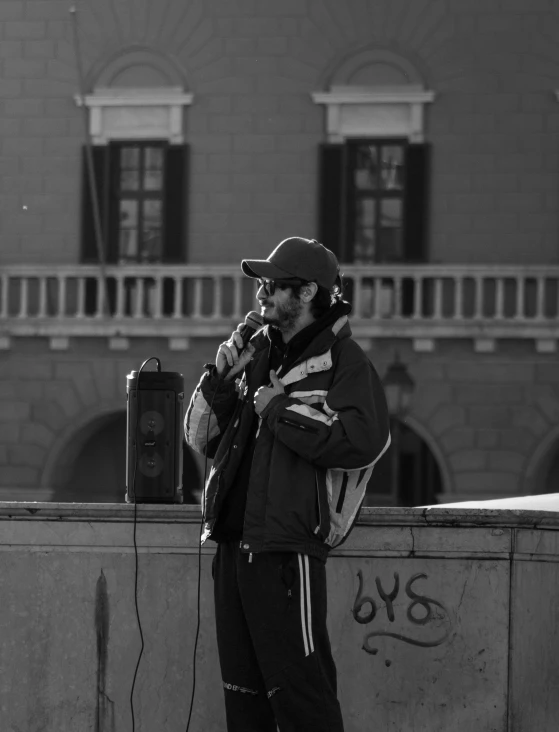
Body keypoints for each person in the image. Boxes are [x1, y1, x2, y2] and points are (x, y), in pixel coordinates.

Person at [184, 237, 390, 732]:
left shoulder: (345, 359)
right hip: (233, 549)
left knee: (304, 699)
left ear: (307, 293)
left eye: (274, 286)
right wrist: (218, 377)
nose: (262, 294)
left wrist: (278, 408)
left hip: (285, 552)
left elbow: (362, 440)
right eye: (261, 284)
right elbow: (199, 437)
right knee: (244, 703)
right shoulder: (255, 353)